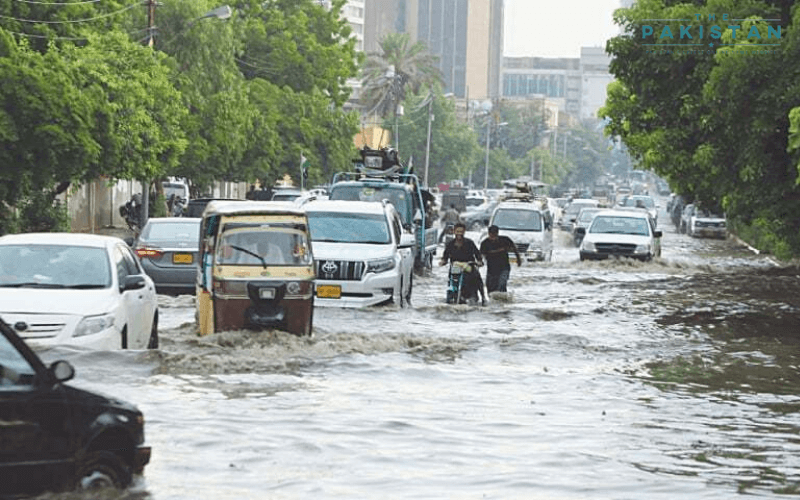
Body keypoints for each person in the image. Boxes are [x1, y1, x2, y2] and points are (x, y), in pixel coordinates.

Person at [439, 222, 485, 304]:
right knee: (451, 282)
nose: (459, 234)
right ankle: (451, 296)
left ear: (464, 232)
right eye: (457, 231)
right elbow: (445, 256)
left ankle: (483, 297)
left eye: (461, 231)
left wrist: (479, 261)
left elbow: (477, 254)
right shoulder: (450, 244)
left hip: (468, 266)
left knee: (477, 278)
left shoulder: (469, 243)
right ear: (454, 231)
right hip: (455, 268)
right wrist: (443, 261)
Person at [479, 225, 522, 294]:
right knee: (490, 288)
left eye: (495, 235)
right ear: (488, 234)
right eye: (491, 235)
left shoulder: (505, 240)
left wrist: (518, 259)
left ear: (497, 233)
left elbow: (514, 248)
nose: (493, 237)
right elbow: (481, 254)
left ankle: (502, 301)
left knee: (502, 284)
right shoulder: (485, 243)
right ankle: (493, 302)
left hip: (504, 268)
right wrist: (480, 262)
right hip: (491, 269)